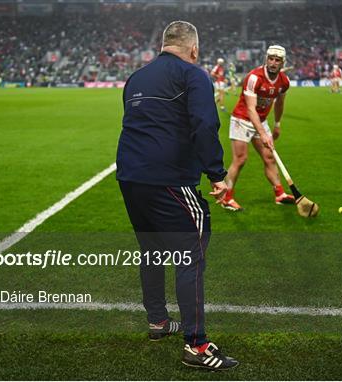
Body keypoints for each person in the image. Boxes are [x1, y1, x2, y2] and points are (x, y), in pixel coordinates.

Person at [116, 20, 238, 371]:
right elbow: (204, 124)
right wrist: (217, 174)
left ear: (164, 44)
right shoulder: (193, 74)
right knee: (192, 250)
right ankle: (197, 346)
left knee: (152, 249)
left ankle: (157, 321)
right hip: (167, 178)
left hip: (130, 176)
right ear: (194, 49)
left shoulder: (135, 78)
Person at [219, 45, 318, 215]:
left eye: (277, 60)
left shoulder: (283, 82)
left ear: (282, 62)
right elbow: (250, 109)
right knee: (241, 159)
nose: (273, 63)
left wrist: (277, 124)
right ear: (266, 59)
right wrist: (263, 134)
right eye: (270, 59)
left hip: (261, 120)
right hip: (242, 120)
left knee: (269, 157)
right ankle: (227, 198)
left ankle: (279, 194)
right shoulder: (253, 78)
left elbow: (279, 103)